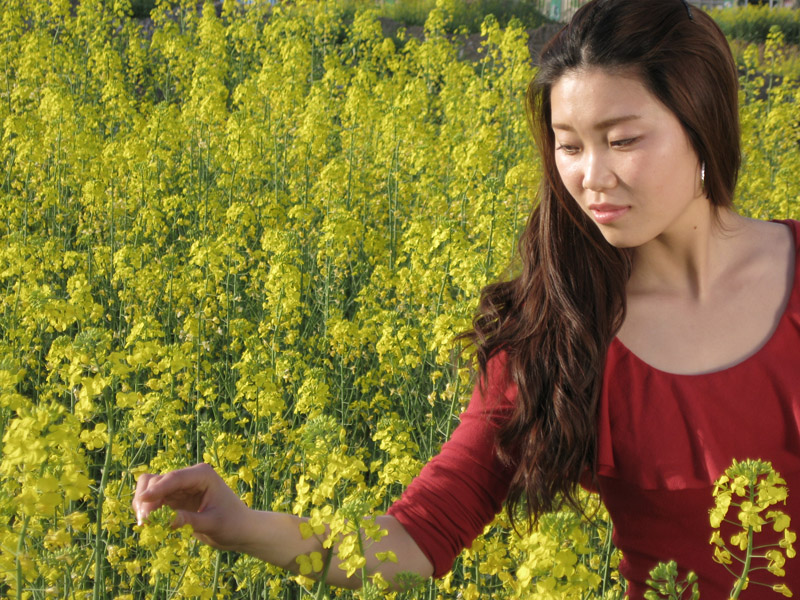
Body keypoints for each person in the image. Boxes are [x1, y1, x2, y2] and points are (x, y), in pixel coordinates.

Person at [132, 0, 800, 597]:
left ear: (702, 127)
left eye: (623, 141)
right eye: (569, 147)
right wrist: (246, 526)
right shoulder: (552, 335)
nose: (592, 178)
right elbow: (418, 536)